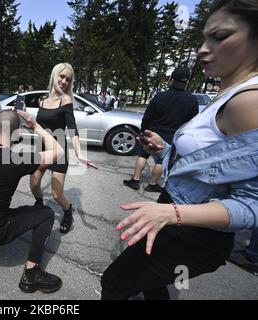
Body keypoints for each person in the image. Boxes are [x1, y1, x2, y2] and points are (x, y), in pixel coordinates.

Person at [101, 0, 258, 300]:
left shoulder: (249, 102)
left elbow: (252, 207)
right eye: (204, 37)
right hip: (173, 209)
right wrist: (164, 150)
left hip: (193, 232)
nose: (202, 48)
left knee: (114, 282)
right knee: (151, 284)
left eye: (220, 36)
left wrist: (172, 213)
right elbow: (208, 167)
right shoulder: (226, 92)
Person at [0, 109, 64, 293]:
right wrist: (36, 126)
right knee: (47, 214)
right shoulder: (18, 159)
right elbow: (59, 151)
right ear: (17, 133)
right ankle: (31, 275)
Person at [29, 63, 97, 235]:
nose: (64, 81)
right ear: (54, 75)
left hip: (58, 150)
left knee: (57, 194)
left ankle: (68, 212)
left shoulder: (65, 100)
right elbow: (41, 126)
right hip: (42, 148)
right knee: (34, 184)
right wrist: (30, 125)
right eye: (62, 76)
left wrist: (79, 153)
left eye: (68, 79)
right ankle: (39, 205)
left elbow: (72, 128)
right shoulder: (43, 100)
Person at [123, 67, 199, 193]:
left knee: (143, 155)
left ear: (172, 80)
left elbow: (148, 115)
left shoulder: (160, 96)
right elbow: (191, 122)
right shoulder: (191, 100)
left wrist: (143, 130)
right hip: (172, 136)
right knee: (161, 160)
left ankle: (135, 180)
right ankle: (152, 184)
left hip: (152, 132)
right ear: (186, 82)